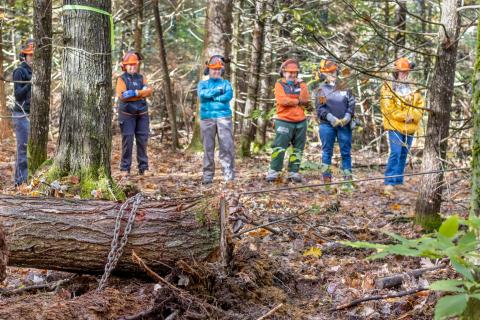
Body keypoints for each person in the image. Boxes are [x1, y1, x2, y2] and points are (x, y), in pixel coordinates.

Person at [380, 57, 424, 195]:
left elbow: (420, 106)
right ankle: (389, 182)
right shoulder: (388, 87)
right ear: (396, 72)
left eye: (406, 72)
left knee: (404, 153)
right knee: (395, 152)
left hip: (410, 127)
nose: (405, 74)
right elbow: (389, 109)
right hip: (394, 126)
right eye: (402, 72)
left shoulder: (413, 88)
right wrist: (406, 117)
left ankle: (398, 181)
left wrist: (414, 117)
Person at [266, 58, 310, 183]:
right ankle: (274, 172)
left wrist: (302, 86)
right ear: (284, 72)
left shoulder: (301, 84)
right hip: (284, 120)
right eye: (289, 72)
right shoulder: (279, 84)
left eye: (294, 72)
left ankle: (293, 172)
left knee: (298, 148)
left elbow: (305, 100)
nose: (292, 74)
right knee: (279, 147)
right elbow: (282, 101)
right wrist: (296, 101)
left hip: (301, 121)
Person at [315, 58, 356, 191]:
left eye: (333, 72)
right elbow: (320, 108)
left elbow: (351, 102)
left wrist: (348, 116)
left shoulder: (345, 86)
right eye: (329, 72)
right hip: (327, 125)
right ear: (323, 74)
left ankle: (347, 180)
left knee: (346, 152)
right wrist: (331, 118)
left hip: (344, 125)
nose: (332, 74)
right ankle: (327, 182)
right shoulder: (321, 90)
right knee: (327, 152)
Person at [197, 55, 235, 185]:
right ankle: (207, 176)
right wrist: (217, 92)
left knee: (226, 146)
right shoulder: (203, 84)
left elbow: (228, 96)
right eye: (214, 69)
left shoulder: (226, 83)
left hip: (224, 117)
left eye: (219, 69)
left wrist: (215, 97)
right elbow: (202, 94)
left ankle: (228, 175)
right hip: (207, 118)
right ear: (209, 69)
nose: (216, 72)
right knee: (208, 147)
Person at [115, 51, 153, 176]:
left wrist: (135, 93)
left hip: (142, 114)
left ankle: (144, 168)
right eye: (129, 65)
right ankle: (125, 168)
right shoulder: (121, 79)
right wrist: (141, 93)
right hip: (127, 115)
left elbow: (149, 90)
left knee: (142, 140)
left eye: (134, 65)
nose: (132, 67)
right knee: (128, 140)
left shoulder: (141, 77)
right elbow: (123, 95)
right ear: (124, 66)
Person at [12, 39, 34, 186]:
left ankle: (28, 180)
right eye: (31, 56)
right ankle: (20, 182)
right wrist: (30, 83)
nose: (33, 58)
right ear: (24, 56)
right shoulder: (19, 71)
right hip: (21, 114)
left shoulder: (35, 71)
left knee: (32, 149)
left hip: (33, 114)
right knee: (23, 149)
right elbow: (18, 94)